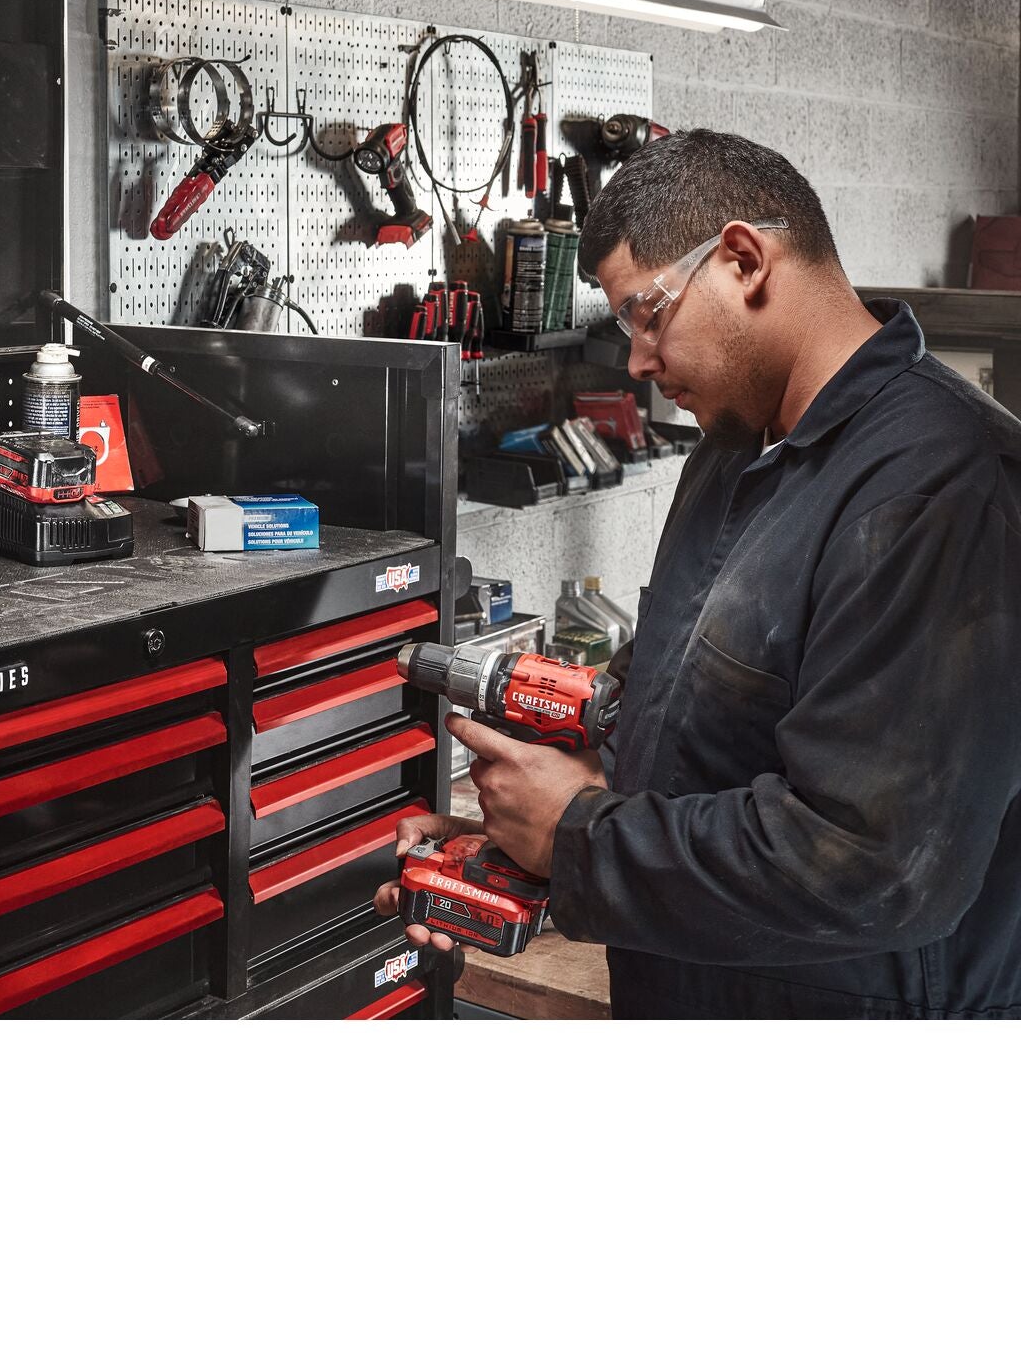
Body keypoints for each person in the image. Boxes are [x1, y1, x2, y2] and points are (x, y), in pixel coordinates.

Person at [376, 129, 1021, 1018]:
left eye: (647, 312)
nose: (637, 360)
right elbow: (696, 742)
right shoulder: (732, 452)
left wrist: (578, 841)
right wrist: (529, 844)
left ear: (744, 261)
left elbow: (880, 868)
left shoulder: (940, 483)